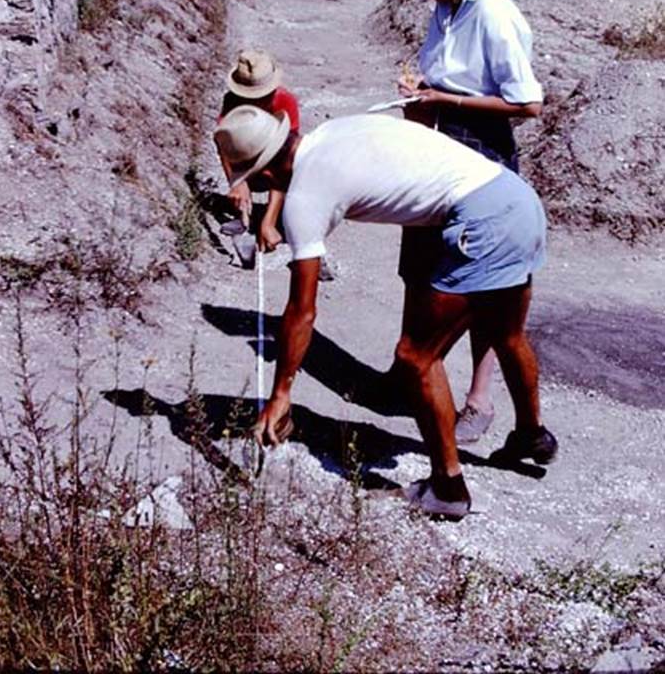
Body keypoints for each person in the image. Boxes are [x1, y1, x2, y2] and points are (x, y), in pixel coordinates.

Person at [214, 104, 558, 520]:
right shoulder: (334, 130)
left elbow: (301, 312)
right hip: (515, 196)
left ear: (265, 175)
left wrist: (281, 393)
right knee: (507, 334)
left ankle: (447, 488)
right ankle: (531, 435)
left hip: (481, 221)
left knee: (416, 358)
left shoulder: (304, 197)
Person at [367, 0, 543, 446]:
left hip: (482, 154)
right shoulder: (445, 9)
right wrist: (421, 90)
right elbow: (441, 72)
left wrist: (446, 100)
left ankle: (479, 400)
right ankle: (416, 367)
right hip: (438, 147)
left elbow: (527, 103)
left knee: (480, 285)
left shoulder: (494, 14)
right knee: (420, 267)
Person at [220, 48, 300, 252]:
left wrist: (269, 221)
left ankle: (280, 219)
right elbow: (224, 146)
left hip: (277, 167)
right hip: (248, 164)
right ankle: (244, 216)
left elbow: (285, 163)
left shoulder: (285, 101)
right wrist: (237, 182)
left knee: (296, 168)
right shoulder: (231, 102)